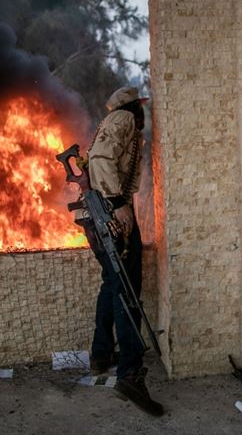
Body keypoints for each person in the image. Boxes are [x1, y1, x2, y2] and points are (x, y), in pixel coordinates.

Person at [84, 86, 163, 416]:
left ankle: (101, 354)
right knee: (127, 290)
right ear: (134, 106)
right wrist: (118, 205)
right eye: (140, 106)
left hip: (101, 214)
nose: (143, 113)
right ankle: (130, 374)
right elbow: (101, 159)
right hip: (110, 214)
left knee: (113, 284)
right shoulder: (123, 119)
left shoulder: (115, 121)